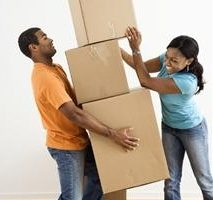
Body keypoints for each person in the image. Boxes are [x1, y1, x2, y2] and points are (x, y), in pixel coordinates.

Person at [18, 27, 140, 200]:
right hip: (66, 147)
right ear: (33, 47)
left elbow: (77, 100)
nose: (51, 39)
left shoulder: (55, 68)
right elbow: (74, 113)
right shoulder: (45, 77)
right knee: (72, 197)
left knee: (101, 179)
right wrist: (113, 134)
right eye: (44, 37)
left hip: (79, 139)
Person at [121, 26, 213, 200]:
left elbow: (145, 80)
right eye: (167, 57)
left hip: (192, 130)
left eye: (174, 61)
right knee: (170, 180)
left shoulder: (187, 82)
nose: (167, 63)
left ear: (189, 61)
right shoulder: (167, 59)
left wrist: (136, 48)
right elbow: (140, 66)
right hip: (169, 128)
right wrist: (118, 50)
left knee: (205, 180)